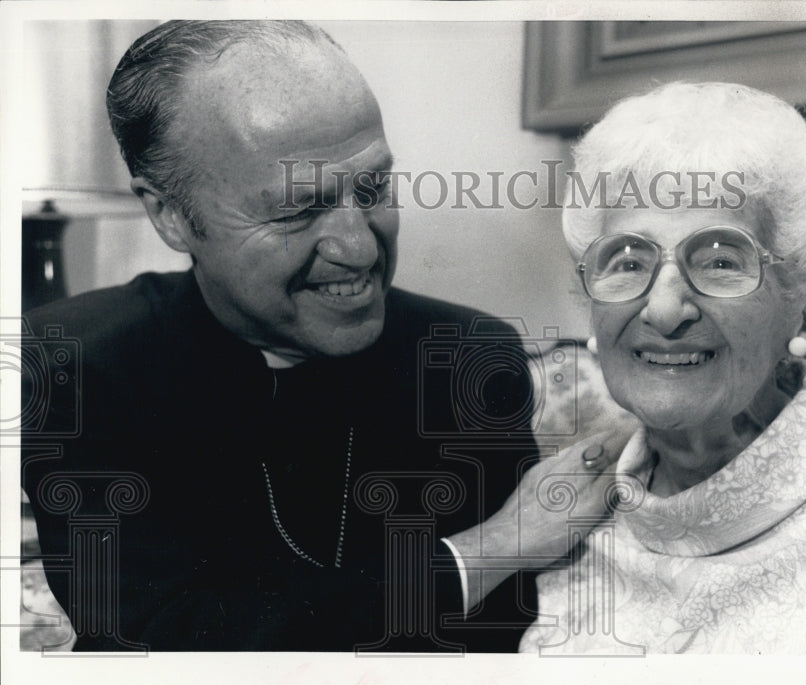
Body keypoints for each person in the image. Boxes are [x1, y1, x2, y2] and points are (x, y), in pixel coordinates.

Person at [20, 20, 618, 652]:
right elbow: (170, 643)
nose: (359, 249)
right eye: (297, 209)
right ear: (171, 215)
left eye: (373, 188)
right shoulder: (74, 367)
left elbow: (495, 639)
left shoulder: (467, 358)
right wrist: (494, 547)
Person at [517, 82, 806, 655]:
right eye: (628, 261)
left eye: (718, 261)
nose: (663, 309)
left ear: (800, 309)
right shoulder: (569, 500)